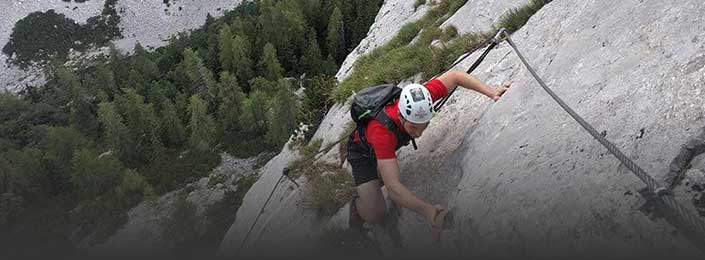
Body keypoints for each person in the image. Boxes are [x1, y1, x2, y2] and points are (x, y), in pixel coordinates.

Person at [346, 70, 512, 241]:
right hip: (362, 153)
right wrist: (427, 210)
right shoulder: (381, 132)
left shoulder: (420, 103)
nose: (418, 133)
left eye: (423, 126)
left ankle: (381, 171)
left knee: (387, 167)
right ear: (401, 116)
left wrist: (491, 92)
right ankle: (356, 208)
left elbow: (455, 77)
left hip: (385, 147)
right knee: (376, 213)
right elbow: (393, 189)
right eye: (413, 128)